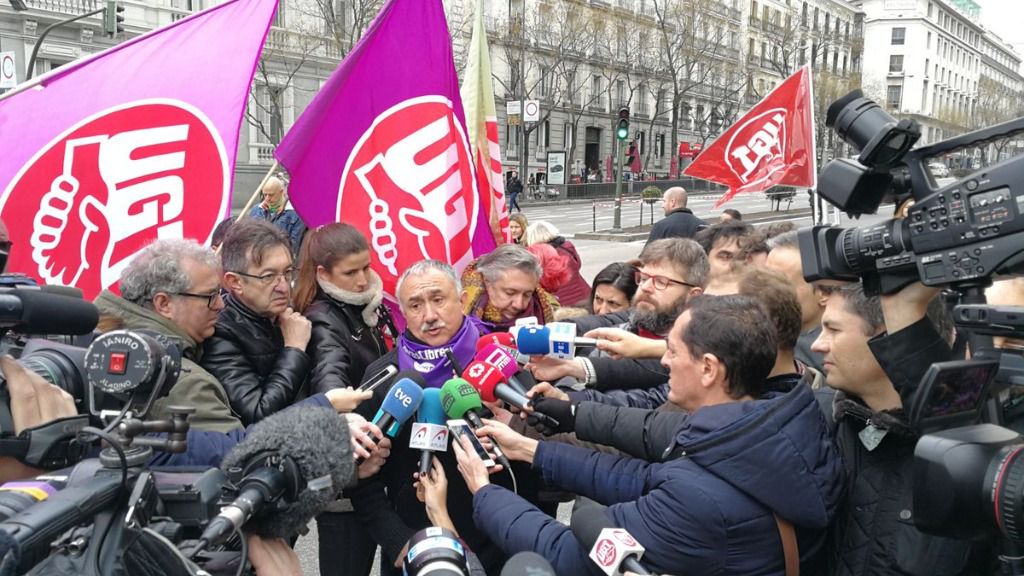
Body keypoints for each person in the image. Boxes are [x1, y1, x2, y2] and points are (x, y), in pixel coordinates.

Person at [453, 295, 844, 575]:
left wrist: (484, 492)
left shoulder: (699, 501)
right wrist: (532, 450)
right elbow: (641, 475)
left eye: (671, 351)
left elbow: (566, 553)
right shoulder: (773, 418)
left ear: (709, 368)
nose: (663, 361)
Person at [350, 260, 520, 575]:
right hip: (416, 546)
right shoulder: (385, 376)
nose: (429, 315)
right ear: (402, 313)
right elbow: (362, 477)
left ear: (462, 300)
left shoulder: (498, 363)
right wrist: (396, 540)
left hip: (499, 540)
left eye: (438, 299)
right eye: (415, 306)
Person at [811, 282, 980, 576]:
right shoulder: (816, 418)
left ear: (888, 336)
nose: (817, 344)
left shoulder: (975, 452)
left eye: (833, 329)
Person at [293, 223, 397, 576]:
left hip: (370, 459)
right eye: (350, 272)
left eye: (366, 267)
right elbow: (329, 370)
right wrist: (341, 416)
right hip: (347, 468)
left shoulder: (361, 307)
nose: (363, 279)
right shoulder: (323, 317)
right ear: (323, 273)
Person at [527, 239, 706, 393]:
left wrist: (571, 403)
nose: (645, 288)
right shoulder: (616, 336)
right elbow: (570, 388)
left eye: (661, 282)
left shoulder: (699, 356)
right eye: (644, 278)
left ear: (693, 295)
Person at [202, 219, 315, 426]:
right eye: (268, 277)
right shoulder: (220, 333)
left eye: (287, 272)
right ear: (235, 282)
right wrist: (294, 349)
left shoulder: (289, 316)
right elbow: (257, 413)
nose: (283, 287)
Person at [766, 231, 827, 373]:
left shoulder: (836, 355)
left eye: (779, 284)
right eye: (763, 278)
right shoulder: (755, 338)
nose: (764, 291)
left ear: (824, 291)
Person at [461, 244, 559, 329]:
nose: (519, 305)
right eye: (510, 293)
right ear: (487, 281)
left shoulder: (547, 312)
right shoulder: (458, 321)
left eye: (527, 295)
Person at [523, 221, 590, 308]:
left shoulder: (537, 255)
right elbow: (578, 265)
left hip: (560, 301)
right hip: (583, 295)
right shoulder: (567, 246)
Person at [249, 176, 306, 257]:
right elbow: (249, 239)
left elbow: (294, 246)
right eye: (265, 194)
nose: (267, 198)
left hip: (281, 259)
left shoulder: (296, 214)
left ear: (281, 192)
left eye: (271, 195)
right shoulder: (256, 210)